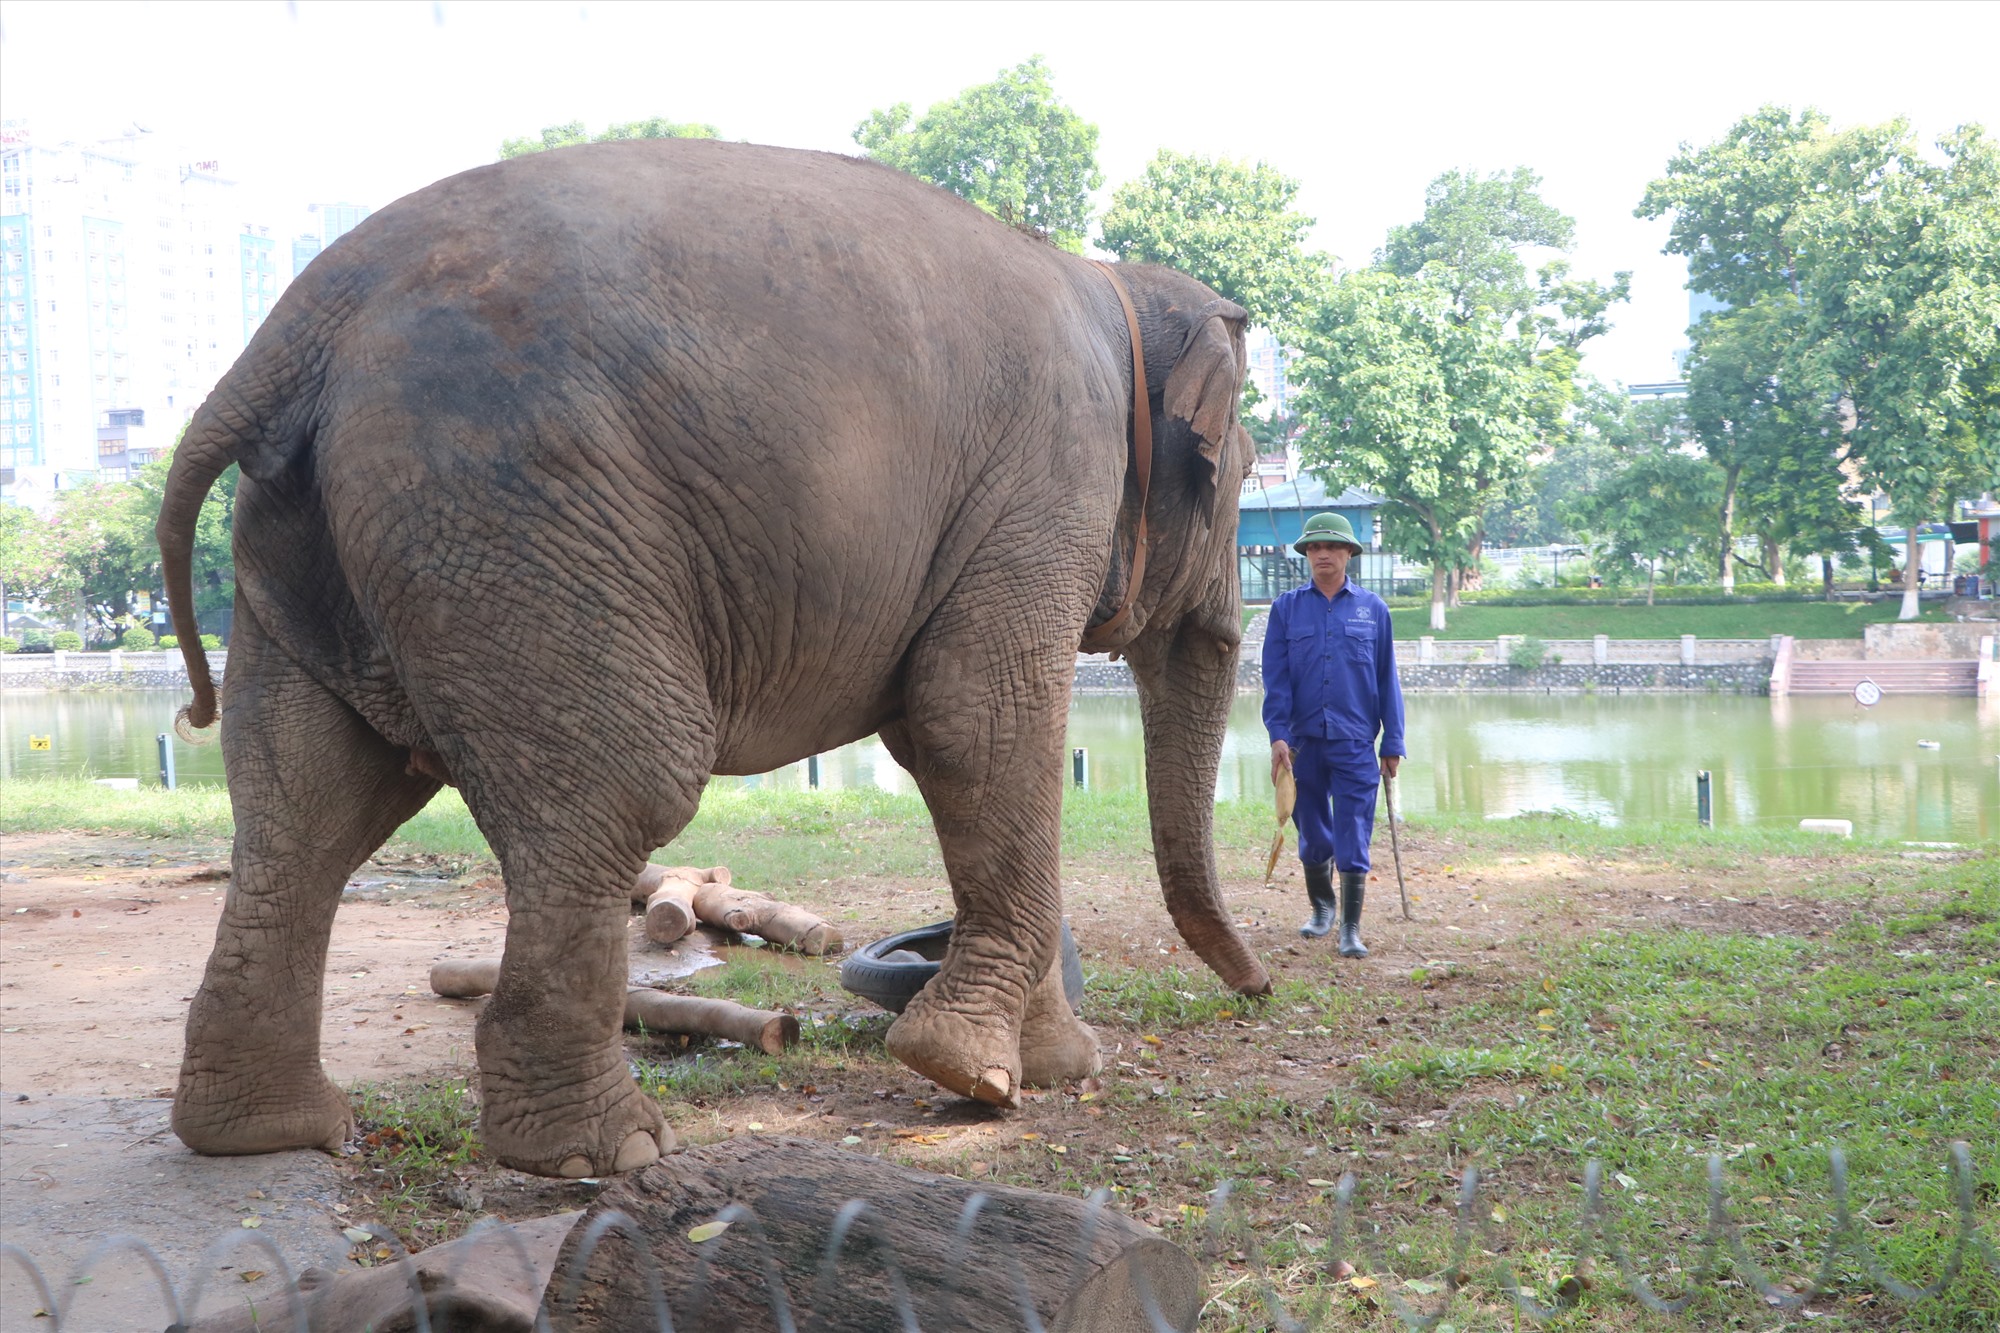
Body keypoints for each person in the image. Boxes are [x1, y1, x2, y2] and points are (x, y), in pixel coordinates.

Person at [1261, 512, 1405, 956]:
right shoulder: (1286, 609)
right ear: (1306, 555)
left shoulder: (1373, 610)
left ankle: (1349, 927)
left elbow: (1388, 679)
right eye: (1314, 548)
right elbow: (1276, 677)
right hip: (1301, 745)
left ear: (1348, 553)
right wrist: (1278, 734)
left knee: (1353, 833)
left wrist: (1393, 742)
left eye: (1332, 547)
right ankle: (1322, 906)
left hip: (1356, 742)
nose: (1322, 554)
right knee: (1315, 835)